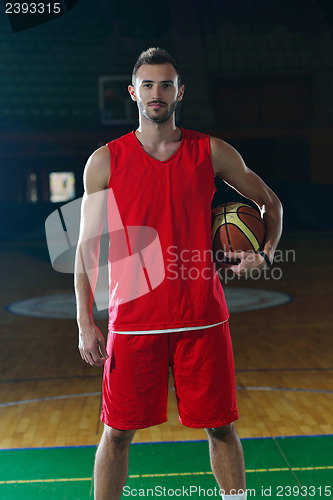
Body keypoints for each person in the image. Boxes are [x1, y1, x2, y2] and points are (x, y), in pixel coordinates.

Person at [74, 48, 283, 500]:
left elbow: (271, 203)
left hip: (202, 318)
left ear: (179, 92)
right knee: (115, 433)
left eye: (165, 84)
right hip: (132, 320)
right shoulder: (105, 161)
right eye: (147, 85)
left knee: (222, 428)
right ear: (132, 92)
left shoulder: (211, 151)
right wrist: (84, 321)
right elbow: (87, 248)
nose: (156, 93)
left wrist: (264, 254)